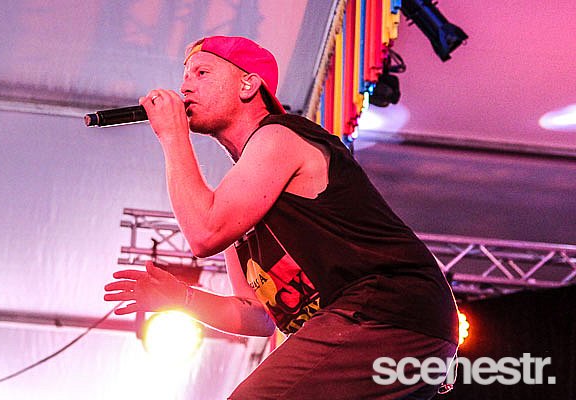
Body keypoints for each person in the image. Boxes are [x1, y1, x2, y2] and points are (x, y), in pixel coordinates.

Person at [104, 35, 459, 399]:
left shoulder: (279, 136)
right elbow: (258, 315)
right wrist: (182, 298)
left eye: (202, 72)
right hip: (402, 329)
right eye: (185, 76)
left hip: (385, 310)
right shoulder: (240, 196)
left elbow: (204, 233)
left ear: (248, 84)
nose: (185, 86)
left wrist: (173, 136)